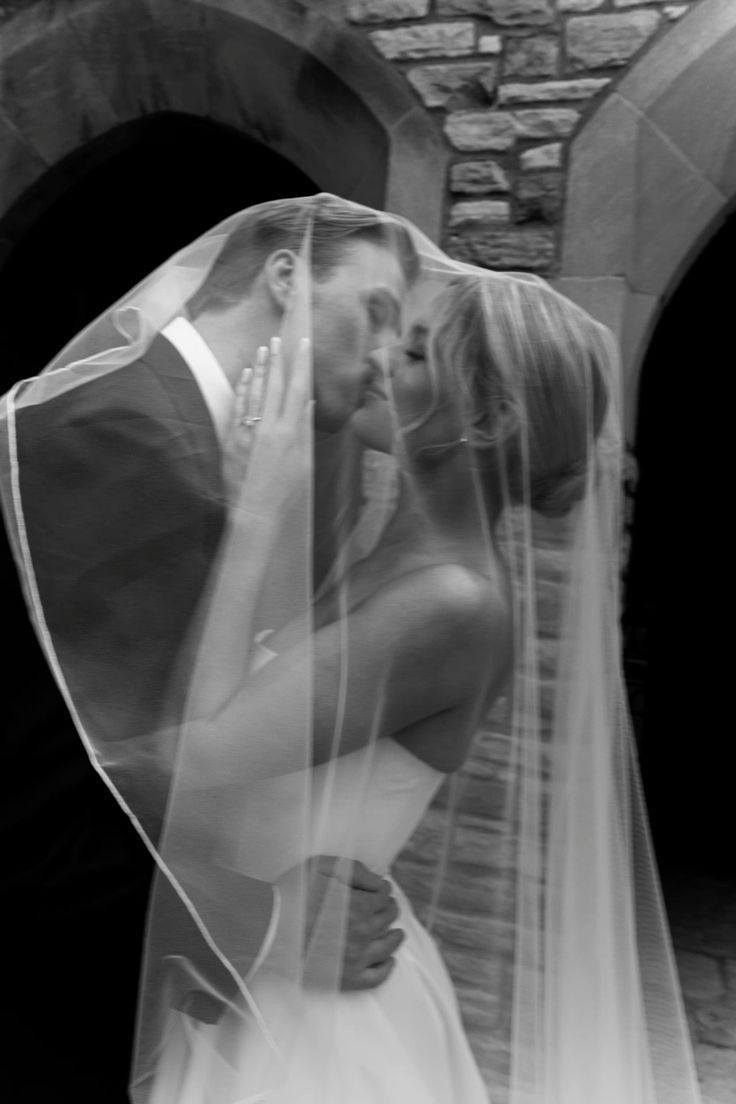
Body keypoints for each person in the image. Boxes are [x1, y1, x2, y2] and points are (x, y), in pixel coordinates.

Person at [138, 261, 702, 1102]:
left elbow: (201, 757)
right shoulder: (388, 553)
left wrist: (254, 509)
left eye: (411, 353)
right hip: (265, 959)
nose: (373, 359)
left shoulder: (450, 602)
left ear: (487, 417)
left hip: (308, 1026)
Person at [0, 195, 418, 1102]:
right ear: (285, 275)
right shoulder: (126, 440)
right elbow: (41, 814)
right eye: (378, 311)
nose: (390, 357)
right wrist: (271, 922)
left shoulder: (193, 436)